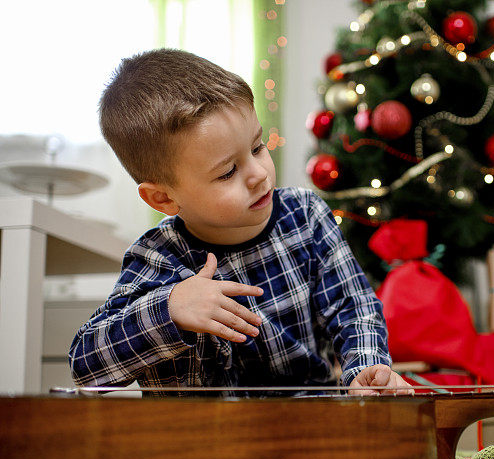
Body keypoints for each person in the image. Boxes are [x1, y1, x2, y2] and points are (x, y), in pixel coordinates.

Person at [69, 48, 410, 397]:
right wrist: (168, 310)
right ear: (164, 199)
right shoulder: (157, 259)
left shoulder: (305, 215)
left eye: (258, 147)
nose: (259, 174)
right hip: (202, 445)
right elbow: (85, 367)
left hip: (309, 429)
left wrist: (366, 368)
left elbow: (353, 307)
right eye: (228, 171)